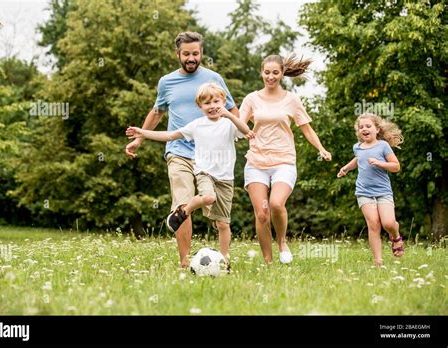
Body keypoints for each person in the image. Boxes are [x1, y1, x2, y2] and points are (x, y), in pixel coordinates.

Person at [125, 32, 239, 268]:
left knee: (218, 212)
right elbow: (157, 113)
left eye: (195, 54)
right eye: (186, 54)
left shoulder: (213, 79)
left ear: (201, 53)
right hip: (179, 152)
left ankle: (222, 258)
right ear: (177, 54)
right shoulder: (166, 82)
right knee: (183, 204)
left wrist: (235, 134)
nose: (191, 58)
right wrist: (139, 139)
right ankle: (185, 261)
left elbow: (232, 110)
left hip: (211, 156)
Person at [127, 82, 254, 264]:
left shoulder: (229, 124)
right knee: (208, 198)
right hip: (205, 172)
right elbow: (170, 136)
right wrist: (143, 133)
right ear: (199, 106)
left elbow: (246, 131)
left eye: (216, 102)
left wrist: (229, 115)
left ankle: (225, 259)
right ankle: (183, 211)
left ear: (224, 102)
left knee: (223, 224)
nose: (212, 106)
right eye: (207, 103)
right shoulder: (197, 125)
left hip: (225, 178)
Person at [239, 54, 332, 264]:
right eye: (267, 72)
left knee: (276, 203)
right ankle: (268, 263)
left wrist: (321, 148)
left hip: (284, 160)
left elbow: (306, 129)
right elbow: (240, 124)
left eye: (275, 73)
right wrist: (239, 130)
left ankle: (281, 242)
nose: (270, 77)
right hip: (256, 161)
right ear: (261, 72)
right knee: (262, 214)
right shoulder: (251, 99)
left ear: (282, 74)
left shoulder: (291, 99)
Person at [338, 113, 404, 266]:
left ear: (377, 129)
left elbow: (396, 166)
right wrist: (346, 168)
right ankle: (378, 262)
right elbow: (358, 159)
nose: (364, 129)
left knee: (388, 223)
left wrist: (380, 163)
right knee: (373, 224)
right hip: (363, 192)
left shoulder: (383, 146)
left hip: (383, 191)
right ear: (358, 132)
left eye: (368, 126)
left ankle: (395, 235)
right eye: (361, 127)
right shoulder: (357, 147)